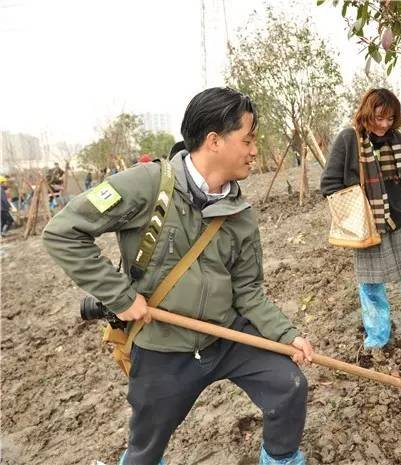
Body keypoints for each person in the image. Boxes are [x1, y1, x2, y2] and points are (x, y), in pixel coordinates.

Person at [43, 87, 313, 465]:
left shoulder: (241, 213)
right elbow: (63, 232)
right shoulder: (147, 184)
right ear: (214, 140)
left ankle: (280, 459)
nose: (255, 150)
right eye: (248, 140)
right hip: (163, 346)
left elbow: (249, 291)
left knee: (289, 386)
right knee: (145, 448)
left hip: (225, 335)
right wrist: (121, 297)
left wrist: (287, 335)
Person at [320, 89, 401, 350]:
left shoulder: (395, 138)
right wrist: (356, 208)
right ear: (367, 113)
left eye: (390, 119)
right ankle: (377, 338)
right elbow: (329, 184)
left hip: (397, 219)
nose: (384, 124)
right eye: (379, 118)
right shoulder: (348, 139)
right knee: (371, 283)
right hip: (366, 226)